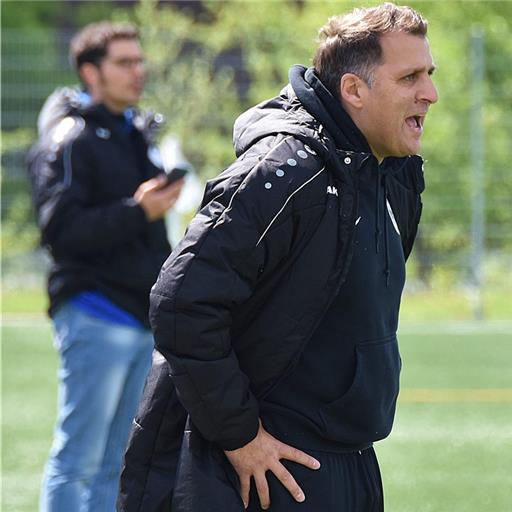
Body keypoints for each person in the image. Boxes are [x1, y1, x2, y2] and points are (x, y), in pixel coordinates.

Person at [119, 3, 438, 511]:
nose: (430, 93)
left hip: (350, 459)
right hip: (269, 471)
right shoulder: (285, 171)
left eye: (429, 74)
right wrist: (240, 436)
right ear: (354, 90)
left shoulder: (390, 173)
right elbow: (181, 303)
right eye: (410, 78)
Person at [27, 21, 184, 512]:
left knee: (120, 461)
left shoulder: (135, 131)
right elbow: (61, 232)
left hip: (141, 316)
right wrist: (138, 210)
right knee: (78, 459)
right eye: (124, 62)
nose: (138, 71)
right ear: (90, 72)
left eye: (139, 60)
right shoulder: (70, 138)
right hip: (96, 312)